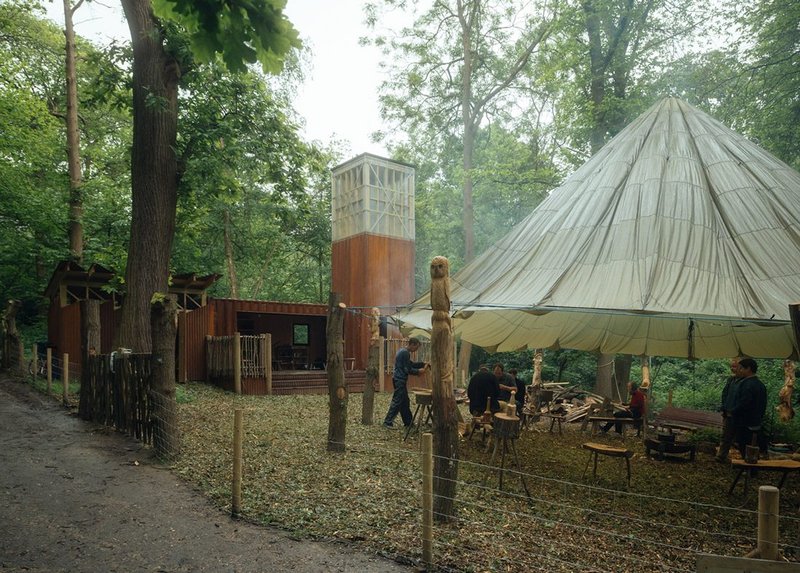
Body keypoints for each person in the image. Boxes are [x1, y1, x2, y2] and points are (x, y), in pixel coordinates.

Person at [383, 338, 428, 429]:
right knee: (397, 401)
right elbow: (407, 369)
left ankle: (408, 422)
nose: (416, 350)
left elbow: (410, 364)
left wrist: (422, 364)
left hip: (398, 379)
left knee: (405, 402)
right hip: (399, 380)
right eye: (416, 347)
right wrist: (419, 372)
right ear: (412, 344)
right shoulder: (405, 353)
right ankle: (387, 422)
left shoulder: (402, 351)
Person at [731, 358, 768, 457]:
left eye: (741, 368)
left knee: (744, 446)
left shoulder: (747, 384)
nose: (739, 371)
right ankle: (751, 469)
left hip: (745, 422)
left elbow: (744, 403)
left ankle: (749, 469)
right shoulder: (761, 385)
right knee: (753, 446)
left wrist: (733, 411)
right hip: (756, 421)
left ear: (748, 369)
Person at [715, 358, 741, 463]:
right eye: (731, 366)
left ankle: (743, 459)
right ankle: (721, 456)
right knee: (726, 435)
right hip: (728, 412)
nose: (732, 369)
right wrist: (723, 408)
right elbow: (725, 394)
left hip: (738, 414)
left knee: (740, 437)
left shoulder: (745, 382)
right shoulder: (731, 379)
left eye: (735, 366)